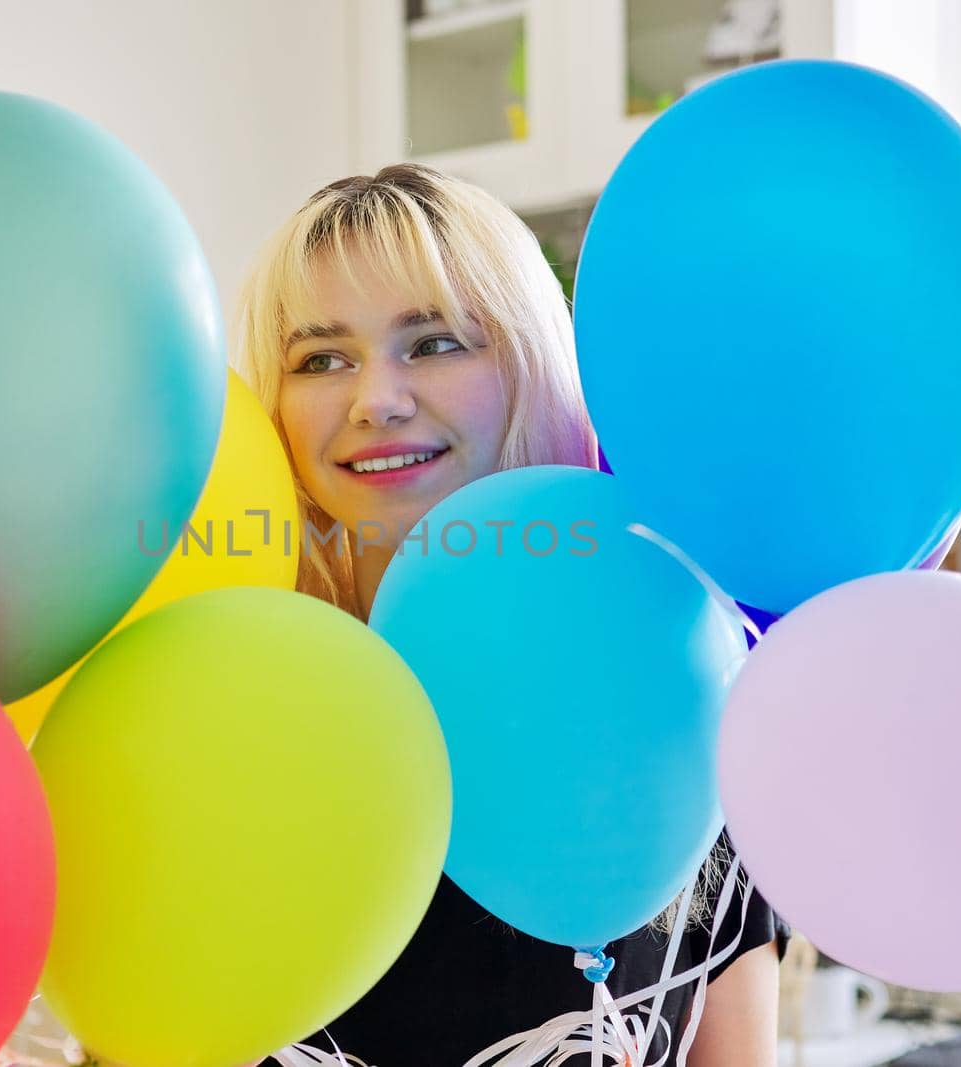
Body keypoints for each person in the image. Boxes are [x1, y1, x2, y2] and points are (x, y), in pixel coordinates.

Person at [231, 163, 787, 1066]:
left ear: (529, 359)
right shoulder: (221, 714)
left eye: (436, 342)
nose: (376, 400)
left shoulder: (682, 690)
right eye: (321, 359)